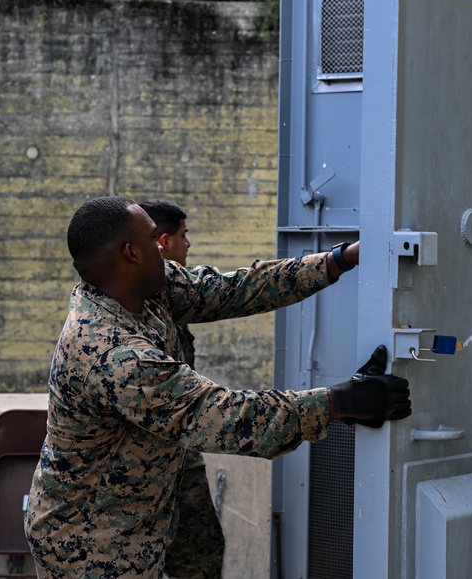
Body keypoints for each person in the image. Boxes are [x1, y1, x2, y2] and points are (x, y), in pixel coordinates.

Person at [25, 195, 411, 579]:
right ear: (131, 253)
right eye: (152, 239)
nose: (163, 248)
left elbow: (236, 289)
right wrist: (338, 402)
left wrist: (339, 260)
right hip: (89, 547)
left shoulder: (146, 287)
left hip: (136, 519)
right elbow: (225, 418)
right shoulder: (111, 352)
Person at [139, 198, 223, 579]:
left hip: (183, 460)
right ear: (163, 242)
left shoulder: (172, 296)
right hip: (144, 469)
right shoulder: (133, 304)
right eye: (183, 236)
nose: (188, 244)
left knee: (201, 555)